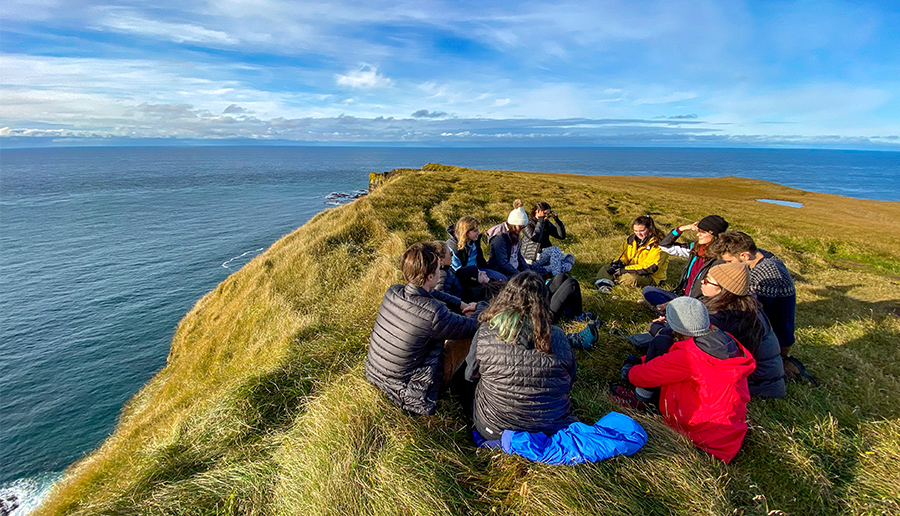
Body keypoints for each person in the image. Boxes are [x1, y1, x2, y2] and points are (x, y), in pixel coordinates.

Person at [621, 296, 756, 463]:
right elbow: (669, 364)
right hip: (727, 437)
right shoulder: (722, 342)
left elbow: (643, 376)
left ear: (676, 327)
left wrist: (630, 370)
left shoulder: (689, 357)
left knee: (651, 373)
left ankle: (640, 400)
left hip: (701, 441)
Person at [366, 242, 482, 415]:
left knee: (453, 326)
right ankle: (468, 382)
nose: (440, 271)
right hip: (407, 390)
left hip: (376, 374)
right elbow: (471, 326)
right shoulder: (434, 313)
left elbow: (431, 293)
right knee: (472, 331)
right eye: (437, 269)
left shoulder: (393, 291)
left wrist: (460, 303)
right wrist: (480, 307)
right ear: (430, 277)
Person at [465, 271, 578, 440]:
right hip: (551, 427)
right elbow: (570, 378)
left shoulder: (486, 331)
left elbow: (470, 375)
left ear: (506, 296)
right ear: (543, 301)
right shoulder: (558, 336)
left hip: (495, 429)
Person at [700, 262, 786, 398]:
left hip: (755, 385)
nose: (702, 282)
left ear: (723, 290)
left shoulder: (728, 316)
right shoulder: (744, 306)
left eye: (707, 281)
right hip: (764, 381)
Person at [708, 231, 796, 355]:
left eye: (729, 261)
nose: (727, 266)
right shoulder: (762, 256)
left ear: (745, 255)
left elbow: (752, 313)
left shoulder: (765, 274)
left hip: (773, 340)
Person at [641, 215, 728, 308]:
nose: (698, 235)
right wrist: (681, 229)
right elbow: (664, 246)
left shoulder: (721, 259)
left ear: (714, 235)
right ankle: (670, 309)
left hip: (699, 303)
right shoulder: (695, 248)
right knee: (648, 290)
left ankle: (667, 310)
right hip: (681, 296)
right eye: (699, 231)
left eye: (703, 232)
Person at [596, 215, 669, 291]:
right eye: (636, 231)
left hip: (651, 276)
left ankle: (609, 281)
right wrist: (618, 264)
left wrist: (624, 270)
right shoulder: (631, 240)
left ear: (650, 229)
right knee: (606, 268)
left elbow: (651, 268)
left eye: (642, 231)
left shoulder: (658, 244)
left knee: (631, 278)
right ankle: (605, 284)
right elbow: (623, 255)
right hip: (631, 269)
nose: (638, 234)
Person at [486, 200, 547, 278]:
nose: (521, 229)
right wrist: (520, 274)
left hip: (514, 268)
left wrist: (527, 271)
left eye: (523, 227)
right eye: (520, 226)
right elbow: (503, 263)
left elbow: (518, 255)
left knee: (540, 272)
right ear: (513, 223)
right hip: (501, 271)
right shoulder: (500, 238)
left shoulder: (515, 234)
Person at [446, 216, 507, 287]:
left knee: (502, 279)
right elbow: (458, 271)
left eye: (478, 230)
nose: (478, 233)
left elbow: (480, 259)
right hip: (466, 275)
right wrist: (477, 275)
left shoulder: (475, 241)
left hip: (478, 270)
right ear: (466, 232)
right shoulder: (453, 247)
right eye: (475, 231)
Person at [521, 201, 574, 275]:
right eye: (544, 214)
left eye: (548, 214)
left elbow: (561, 236)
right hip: (532, 257)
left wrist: (557, 220)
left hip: (544, 255)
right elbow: (535, 237)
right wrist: (540, 221)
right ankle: (556, 276)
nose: (546, 216)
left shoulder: (546, 223)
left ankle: (546, 269)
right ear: (537, 211)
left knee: (567, 264)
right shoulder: (528, 223)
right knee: (555, 250)